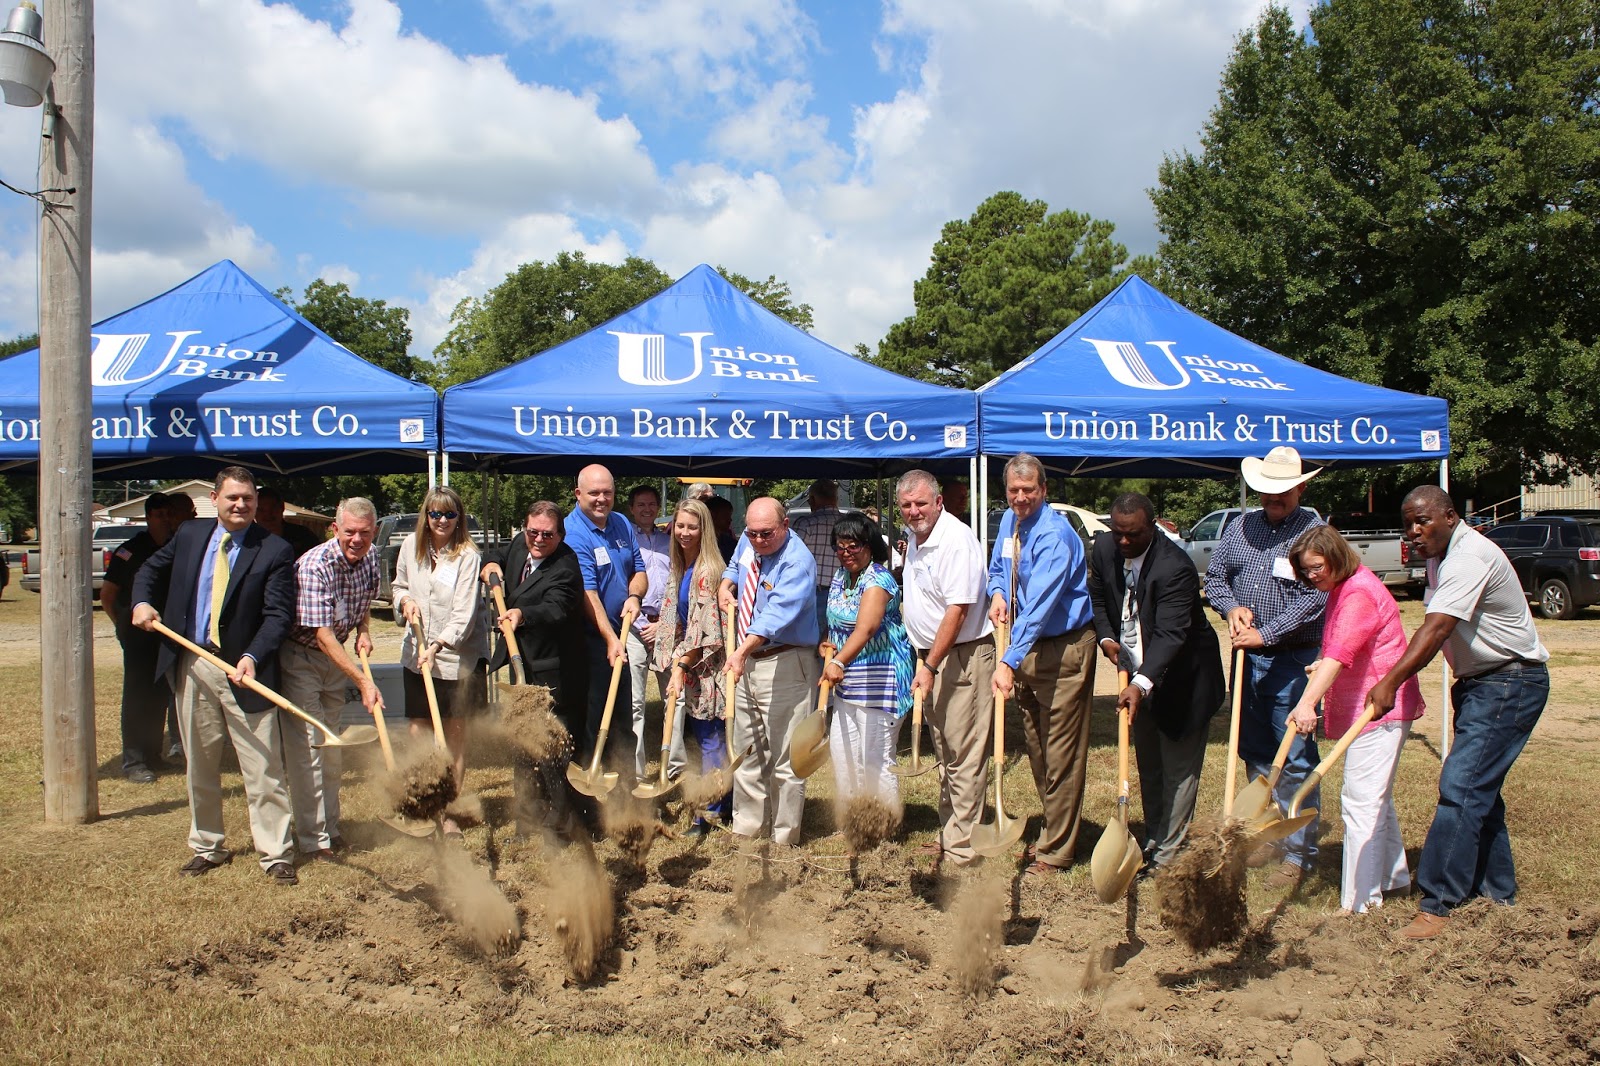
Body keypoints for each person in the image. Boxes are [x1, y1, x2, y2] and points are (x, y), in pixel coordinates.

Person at [1366, 486, 1549, 940]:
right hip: (1480, 684)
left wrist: (1390, 681)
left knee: (1461, 786)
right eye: (1408, 523)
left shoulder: (1469, 556)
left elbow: (1438, 627)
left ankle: (1438, 903)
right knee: (1479, 793)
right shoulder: (1440, 556)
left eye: (1423, 521)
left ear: (1450, 516)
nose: (1414, 531)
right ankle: (1497, 895)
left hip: (1510, 682)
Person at [131, 466, 299, 884]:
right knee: (200, 764)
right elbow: (148, 572)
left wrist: (253, 656)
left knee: (263, 767)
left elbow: (279, 616)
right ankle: (207, 846)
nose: (240, 505)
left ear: (256, 502)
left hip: (245, 668)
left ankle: (276, 852)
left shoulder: (274, 550)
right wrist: (141, 603)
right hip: (191, 663)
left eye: (247, 498)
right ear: (215, 500)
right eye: (232, 498)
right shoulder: (189, 536)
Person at [1204, 445, 1327, 890]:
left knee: (1294, 756)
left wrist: (1268, 633)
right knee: (1254, 749)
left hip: (1294, 659)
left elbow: (1318, 598)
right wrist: (1231, 606)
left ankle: (1298, 855)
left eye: (1283, 491)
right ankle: (1264, 835)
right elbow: (1215, 577)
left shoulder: (1314, 532)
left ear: (1301, 487)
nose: (1274, 498)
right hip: (1247, 657)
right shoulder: (1241, 526)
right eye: (1267, 491)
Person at [1284, 525, 1424, 913]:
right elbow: (1343, 648)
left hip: (1380, 709)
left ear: (1335, 556)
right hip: (1372, 706)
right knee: (1376, 800)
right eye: (1306, 571)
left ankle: (1360, 902)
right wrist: (1322, 667)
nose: (1312, 576)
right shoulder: (1343, 587)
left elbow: (1340, 654)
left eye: (1316, 567)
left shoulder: (1358, 593)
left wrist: (1307, 704)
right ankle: (1393, 880)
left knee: (1359, 803)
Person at [1088, 492, 1224, 874]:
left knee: (1178, 771)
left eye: (1133, 535)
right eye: (1118, 533)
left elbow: (1171, 635)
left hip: (1185, 680)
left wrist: (1141, 683)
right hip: (1137, 676)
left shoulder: (1175, 567)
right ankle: (1154, 838)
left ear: (1154, 525)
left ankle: (1168, 856)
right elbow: (1099, 598)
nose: (1124, 542)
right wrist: (1106, 638)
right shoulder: (1104, 549)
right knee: (1149, 764)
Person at [987, 453, 1098, 876]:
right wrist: (997, 592)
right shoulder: (1011, 524)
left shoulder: (1054, 534)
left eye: (1028, 490)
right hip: (1027, 647)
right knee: (1037, 749)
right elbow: (999, 568)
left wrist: (1008, 661)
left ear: (1044, 489)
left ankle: (1057, 850)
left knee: (1061, 753)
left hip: (1063, 649)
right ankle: (1054, 828)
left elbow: (1038, 607)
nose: (1020, 498)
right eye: (1013, 491)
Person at [897, 469, 995, 867]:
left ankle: (962, 849)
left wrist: (931, 665)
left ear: (938, 502)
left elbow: (958, 610)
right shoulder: (918, 540)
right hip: (932, 657)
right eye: (906, 505)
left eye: (921, 503)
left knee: (964, 753)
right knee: (945, 750)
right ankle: (950, 832)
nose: (914, 511)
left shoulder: (955, 540)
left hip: (962, 656)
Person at [279, 497, 382, 859]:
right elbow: (322, 634)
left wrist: (363, 630)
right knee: (311, 746)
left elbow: (364, 602)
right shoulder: (313, 566)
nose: (357, 540)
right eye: (350, 532)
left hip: (333, 660)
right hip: (302, 658)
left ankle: (331, 827)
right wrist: (363, 681)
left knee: (333, 746)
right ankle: (312, 838)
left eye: (365, 533)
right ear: (335, 529)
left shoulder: (370, 558)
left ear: (375, 531)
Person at [482, 501, 589, 838]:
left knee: (553, 746)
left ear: (560, 535)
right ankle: (526, 817)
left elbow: (555, 609)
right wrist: (491, 564)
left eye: (547, 534)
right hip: (520, 667)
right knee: (521, 742)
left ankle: (563, 818)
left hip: (553, 671)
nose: (538, 539)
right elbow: (499, 554)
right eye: (533, 532)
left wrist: (521, 615)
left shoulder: (567, 565)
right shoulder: (519, 543)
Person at [719, 497, 821, 846]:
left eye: (766, 534)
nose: (758, 541)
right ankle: (747, 829)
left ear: (785, 526)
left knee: (787, 756)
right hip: (749, 660)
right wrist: (725, 585)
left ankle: (784, 837)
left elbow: (776, 615)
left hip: (785, 661)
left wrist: (740, 650)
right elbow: (735, 565)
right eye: (752, 533)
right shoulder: (749, 541)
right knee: (747, 749)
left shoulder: (798, 562)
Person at [392, 486, 490, 838]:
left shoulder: (467, 556)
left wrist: (437, 646)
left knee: (453, 734)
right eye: (436, 514)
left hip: (454, 659)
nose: (442, 520)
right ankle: (423, 801)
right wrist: (404, 602)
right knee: (418, 730)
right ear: (426, 516)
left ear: (459, 519)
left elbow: (464, 615)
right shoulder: (409, 547)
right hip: (415, 655)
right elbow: (399, 585)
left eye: (450, 514)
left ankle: (448, 811)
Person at [651, 498, 731, 837]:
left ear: (704, 530)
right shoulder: (680, 566)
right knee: (704, 736)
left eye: (692, 527)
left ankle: (710, 812)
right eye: (680, 525)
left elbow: (706, 631)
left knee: (712, 737)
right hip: (692, 663)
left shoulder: (706, 572)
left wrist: (681, 664)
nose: (684, 532)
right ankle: (721, 805)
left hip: (708, 666)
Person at [822, 512, 914, 805]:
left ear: (870, 546)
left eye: (853, 547)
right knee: (843, 749)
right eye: (840, 546)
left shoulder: (878, 578)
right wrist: (828, 644)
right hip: (848, 682)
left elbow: (867, 627)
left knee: (874, 754)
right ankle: (854, 813)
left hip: (880, 680)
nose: (845, 553)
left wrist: (838, 662)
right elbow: (838, 619)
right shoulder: (841, 576)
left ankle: (884, 821)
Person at [566, 464, 649, 782]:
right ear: (578, 494)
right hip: (588, 639)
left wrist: (634, 597)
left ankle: (626, 791)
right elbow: (588, 594)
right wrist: (609, 639)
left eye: (608, 493)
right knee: (594, 716)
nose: (602, 499)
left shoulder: (621, 523)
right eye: (594, 493)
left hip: (617, 632)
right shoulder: (574, 533)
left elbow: (638, 570)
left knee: (622, 716)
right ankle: (592, 799)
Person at [102, 492, 179, 782]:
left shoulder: (176, 548)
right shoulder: (130, 551)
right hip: (136, 637)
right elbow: (109, 596)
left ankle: (153, 757)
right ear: (148, 517)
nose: (165, 520)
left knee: (160, 694)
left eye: (168, 514)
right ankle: (133, 761)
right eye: (159, 515)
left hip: (167, 635)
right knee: (137, 696)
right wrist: (122, 627)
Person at [624, 484, 676, 779]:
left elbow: (678, 583)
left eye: (651, 504)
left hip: (665, 627)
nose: (646, 509)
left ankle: (672, 767)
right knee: (635, 703)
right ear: (632, 508)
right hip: (634, 628)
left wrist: (663, 625)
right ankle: (637, 772)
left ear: (658, 508)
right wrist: (642, 625)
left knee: (673, 697)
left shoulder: (669, 541)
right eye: (640, 505)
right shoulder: (624, 541)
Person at [789, 479, 844, 635]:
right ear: (836, 499)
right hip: (845, 592)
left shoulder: (805, 524)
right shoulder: (849, 524)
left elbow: (791, 560)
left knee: (813, 644)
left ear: (812, 500)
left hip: (812, 593)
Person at [256, 486, 320, 558]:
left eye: (273, 508)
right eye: (261, 510)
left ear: (282, 508)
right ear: (253, 511)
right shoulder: (247, 539)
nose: (268, 514)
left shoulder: (303, 535)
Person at [706, 495, 738, 561]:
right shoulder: (696, 543)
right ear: (712, 515)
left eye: (730, 516)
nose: (730, 520)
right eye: (725, 516)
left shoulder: (730, 544)